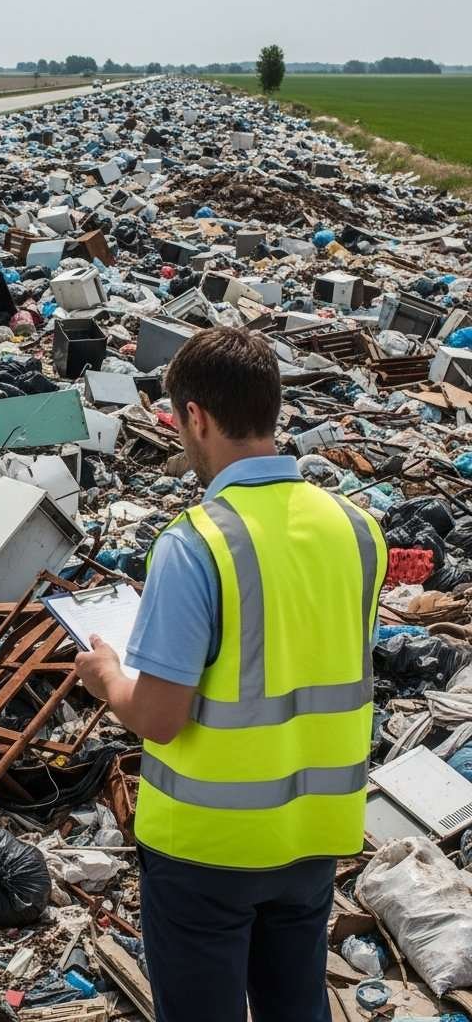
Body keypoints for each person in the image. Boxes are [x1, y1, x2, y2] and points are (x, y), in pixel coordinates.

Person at [74, 327, 385, 1022]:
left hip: (206, 850)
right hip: (314, 833)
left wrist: (106, 675)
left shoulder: (195, 544)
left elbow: (159, 716)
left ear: (196, 418)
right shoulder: (359, 529)